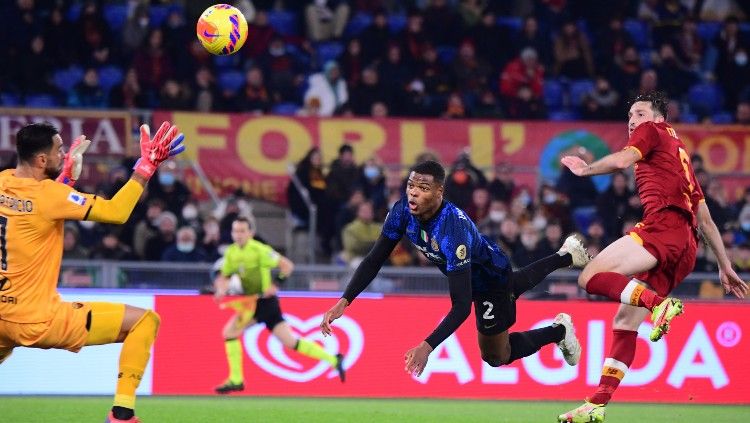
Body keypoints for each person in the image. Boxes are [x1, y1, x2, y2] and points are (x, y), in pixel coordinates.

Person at [556, 91, 748, 423]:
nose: (633, 120)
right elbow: (705, 221)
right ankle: (596, 404)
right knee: (624, 324)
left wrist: (585, 170)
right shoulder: (681, 155)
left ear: (659, 117)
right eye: (630, 115)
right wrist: (724, 263)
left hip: (663, 227)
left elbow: (619, 161)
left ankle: (657, 303)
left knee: (588, 276)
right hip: (686, 248)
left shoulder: (653, 131)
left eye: (640, 113)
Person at [320, 160, 592, 379]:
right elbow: (373, 259)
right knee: (517, 282)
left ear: (439, 193)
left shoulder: (452, 231)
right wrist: (345, 300)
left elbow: (461, 306)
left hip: (489, 282)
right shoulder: (402, 210)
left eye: (423, 188)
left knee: (496, 356)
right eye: (411, 185)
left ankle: (559, 331)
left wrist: (427, 347)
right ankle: (567, 255)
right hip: (482, 271)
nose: (414, 192)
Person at [0, 121, 185, 423]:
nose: (65, 154)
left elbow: (31, 210)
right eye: (59, 150)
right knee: (144, 321)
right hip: (36, 319)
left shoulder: (4, 181)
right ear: (41, 160)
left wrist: (66, 178)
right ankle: (122, 414)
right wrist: (146, 167)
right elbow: (116, 212)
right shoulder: (50, 196)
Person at [213, 216, 345, 394]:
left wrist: (275, 284)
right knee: (290, 342)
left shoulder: (260, 250)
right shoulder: (231, 252)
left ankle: (236, 379)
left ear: (250, 233)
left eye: (242, 231)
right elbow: (224, 276)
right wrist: (220, 289)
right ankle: (333, 359)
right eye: (235, 231)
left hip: (264, 303)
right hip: (251, 303)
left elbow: (287, 266)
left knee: (230, 333)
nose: (239, 235)